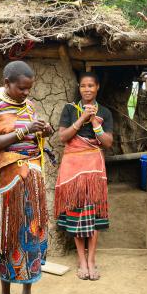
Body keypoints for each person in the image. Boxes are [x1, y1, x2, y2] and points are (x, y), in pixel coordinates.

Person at [0, 60, 53, 294]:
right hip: (8, 180)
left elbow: (34, 137)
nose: (26, 93)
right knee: (9, 239)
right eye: (21, 88)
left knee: (33, 234)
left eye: (29, 89)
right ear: (6, 82)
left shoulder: (29, 106)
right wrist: (23, 132)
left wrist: (45, 131)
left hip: (32, 178)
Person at [54, 72, 113, 281]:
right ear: (79, 88)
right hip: (73, 167)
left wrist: (96, 123)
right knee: (77, 211)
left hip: (94, 167)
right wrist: (82, 118)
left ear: (97, 87)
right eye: (83, 86)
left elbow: (107, 143)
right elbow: (62, 137)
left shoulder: (105, 111)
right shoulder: (70, 109)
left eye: (91, 85)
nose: (87, 89)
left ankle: (91, 260)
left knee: (93, 213)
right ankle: (81, 259)